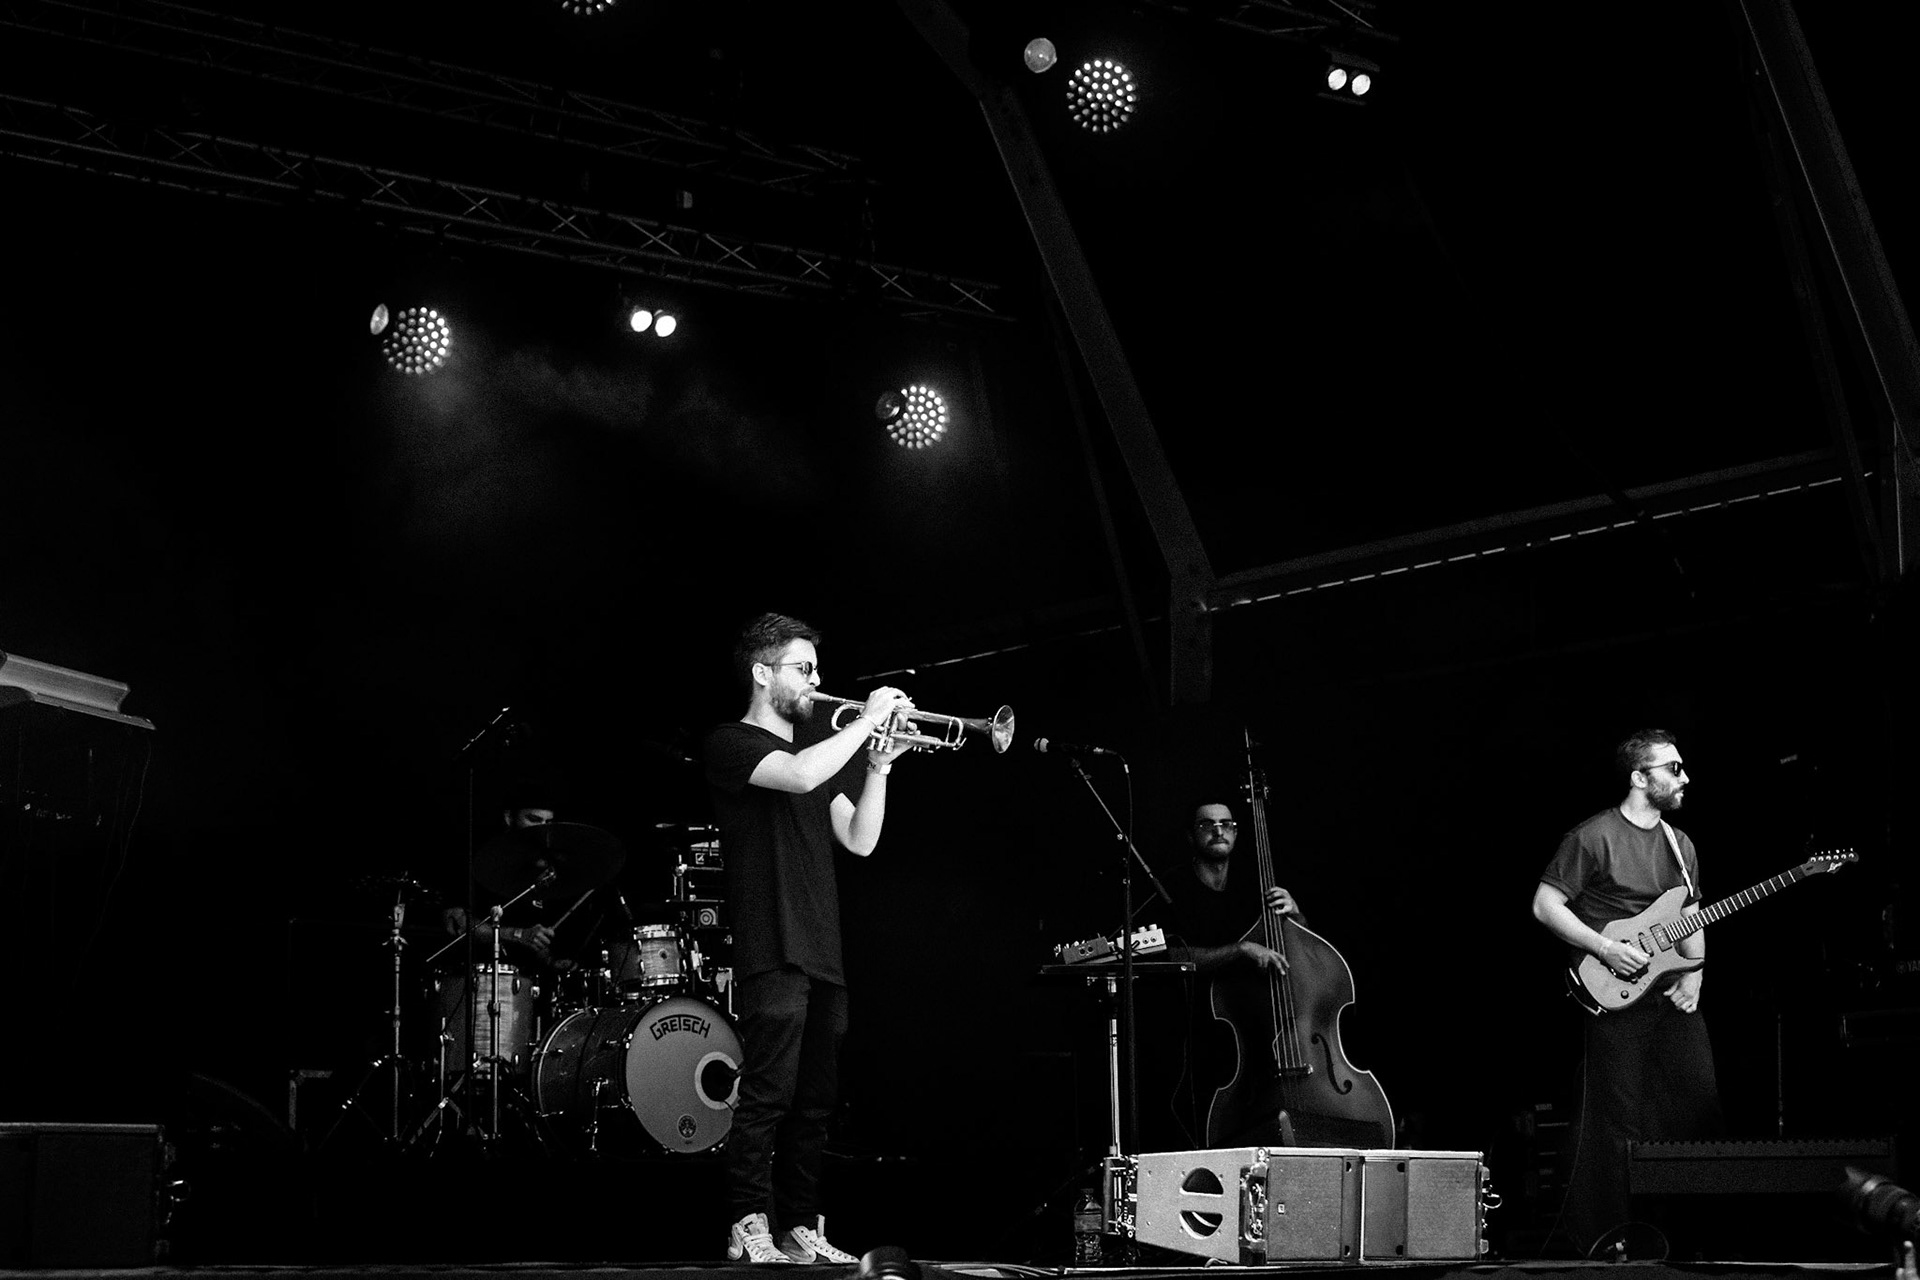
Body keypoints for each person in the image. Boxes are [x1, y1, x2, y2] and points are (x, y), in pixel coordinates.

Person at [703, 612, 914, 1265]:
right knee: (768, 1090)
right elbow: (794, 776)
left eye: (816, 670)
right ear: (764, 673)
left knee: (815, 1101)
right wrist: (867, 717)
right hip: (772, 941)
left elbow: (861, 838)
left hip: (823, 947)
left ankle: (798, 1224)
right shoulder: (732, 742)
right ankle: (747, 1219)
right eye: (803, 668)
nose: (817, 682)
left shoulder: (817, 757)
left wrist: (878, 764)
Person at [1531, 729, 1724, 1259]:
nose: (1684, 777)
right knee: (1616, 1117)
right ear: (1641, 778)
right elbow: (1545, 906)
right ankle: (1606, 1236)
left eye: (1683, 767)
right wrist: (1606, 949)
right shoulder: (1593, 836)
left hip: (1668, 992)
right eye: (1674, 768)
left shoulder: (1680, 844)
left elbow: (1689, 913)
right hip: (1613, 990)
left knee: (1697, 1101)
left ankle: (1683, 1235)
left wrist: (1695, 975)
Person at [1156, 799, 1304, 1148]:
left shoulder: (1255, 886)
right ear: (1191, 836)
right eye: (1207, 824)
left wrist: (1296, 916)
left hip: (1259, 1028)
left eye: (1227, 824)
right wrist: (1240, 950)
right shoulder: (1172, 888)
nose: (1219, 830)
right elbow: (1168, 956)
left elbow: (1300, 952)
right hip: (1195, 1034)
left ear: (1236, 833)